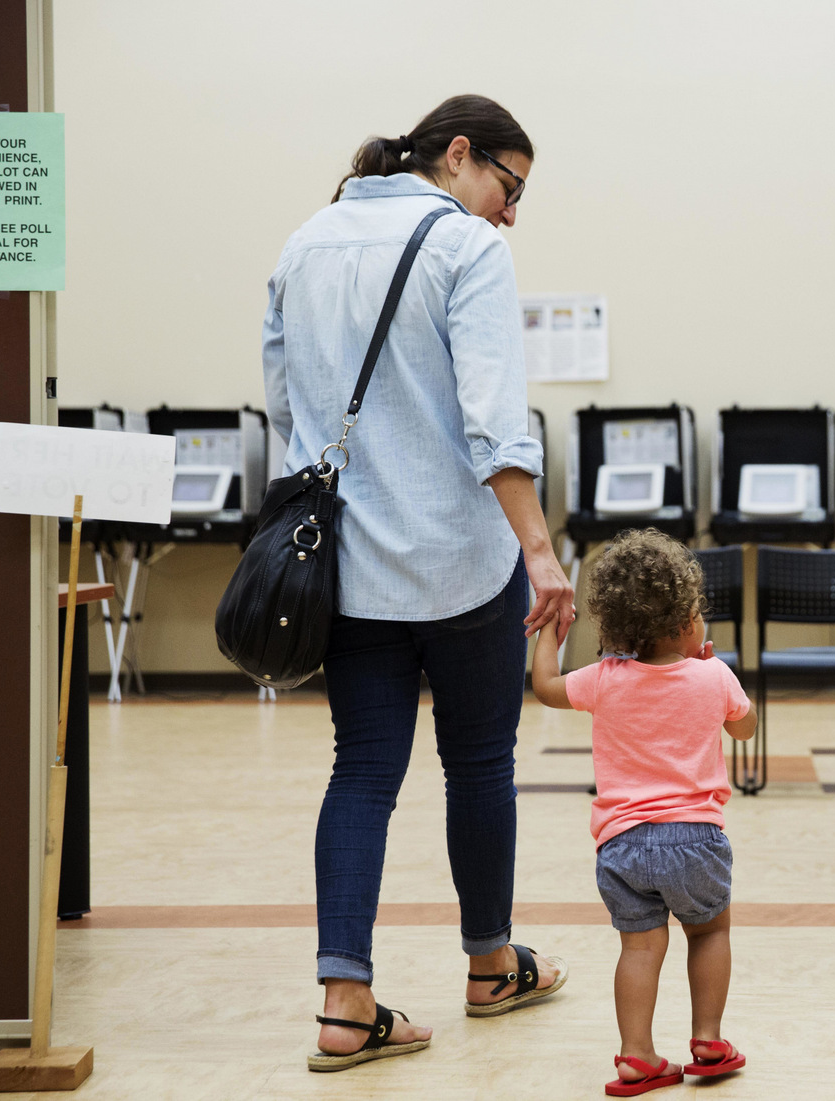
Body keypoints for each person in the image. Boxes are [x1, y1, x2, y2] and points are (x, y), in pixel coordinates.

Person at [263, 94, 572, 1073]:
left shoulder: (304, 242)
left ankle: (345, 1005)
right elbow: (494, 421)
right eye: (508, 186)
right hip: (462, 564)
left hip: (347, 567)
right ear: (457, 152)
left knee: (362, 771)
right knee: (479, 764)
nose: (511, 212)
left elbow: (283, 412)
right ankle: (489, 964)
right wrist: (538, 548)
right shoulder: (466, 248)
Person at [531, 529, 756, 1096]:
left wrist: (550, 634)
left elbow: (545, 688)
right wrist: (712, 673)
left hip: (622, 846)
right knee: (708, 933)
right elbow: (745, 727)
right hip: (695, 840)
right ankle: (707, 1040)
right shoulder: (713, 675)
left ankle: (636, 1057)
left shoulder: (604, 680)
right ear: (685, 623)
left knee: (639, 946)